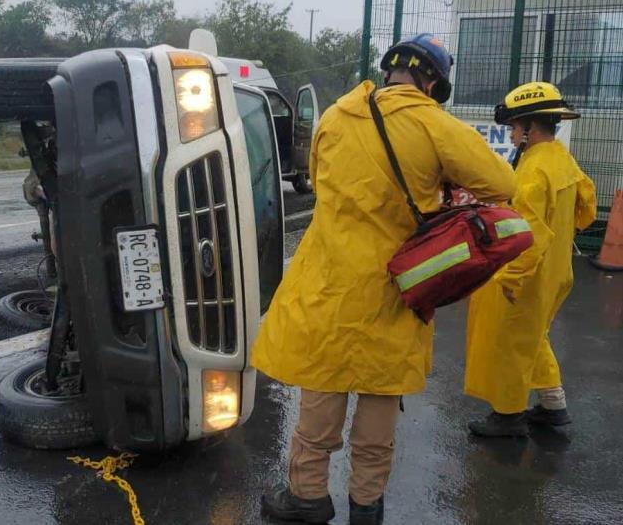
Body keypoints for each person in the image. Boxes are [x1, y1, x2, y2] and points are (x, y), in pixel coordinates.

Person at [252, 33, 516, 524]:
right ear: (433, 81)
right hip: (399, 282)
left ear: (389, 70)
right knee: (379, 393)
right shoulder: (435, 124)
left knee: (322, 385)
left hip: (328, 281)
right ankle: (366, 505)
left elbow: (317, 173)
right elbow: (503, 185)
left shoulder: (336, 116)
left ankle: (307, 498)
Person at [465, 81, 597, 438]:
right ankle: (553, 406)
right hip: (556, 273)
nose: (510, 134)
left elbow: (528, 236)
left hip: (528, 275)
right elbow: (586, 204)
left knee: (510, 343)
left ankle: (507, 416)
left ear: (530, 129)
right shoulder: (562, 160)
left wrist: (512, 278)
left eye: (513, 127)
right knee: (535, 337)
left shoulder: (530, 174)